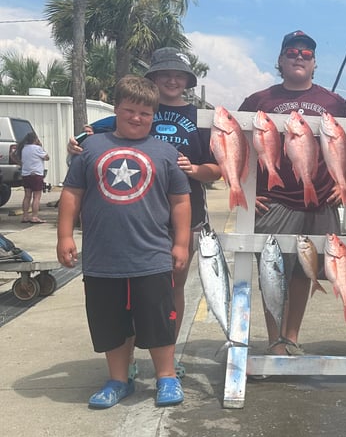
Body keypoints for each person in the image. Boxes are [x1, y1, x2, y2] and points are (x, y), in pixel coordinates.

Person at [68, 47, 222, 378]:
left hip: (184, 213)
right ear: (151, 79)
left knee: (170, 290)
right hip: (133, 215)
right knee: (130, 293)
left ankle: (168, 356)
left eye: (179, 75)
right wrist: (76, 143)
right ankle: (129, 360)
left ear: (187, 81)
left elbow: (218, 168)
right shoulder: (133, 109)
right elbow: (89, 140)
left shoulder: (203, 118)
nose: (172, 80)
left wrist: (195, 169)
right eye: (165, 73)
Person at [57, 75, 191, 409]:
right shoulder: (90, 148)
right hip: (103, 259)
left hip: (153, 257)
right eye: (130, 110)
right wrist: (64, 235)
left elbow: (180, 201)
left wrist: (181, 243)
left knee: (159, 322)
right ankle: (118, 380)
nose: (136, 118)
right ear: (115, 109)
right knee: (110, 324)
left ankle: (166, 377)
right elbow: (72, 193)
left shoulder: (166, 152)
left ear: (153, 116)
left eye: (145, 113)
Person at [238, 30, 346, 355]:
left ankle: (291, 337)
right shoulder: (258, 101)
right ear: (280, 60)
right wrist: (246, 191)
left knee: (306, 272)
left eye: (306, 53)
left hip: (320, 203)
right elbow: (237, 148)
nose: (299, 56)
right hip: (274, 202)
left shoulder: (336, 103)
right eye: (292, 52)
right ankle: (274, 341)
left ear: (314, 63)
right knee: (273, 271)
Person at [18, 131, 50, 223]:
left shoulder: (24, 148)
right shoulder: (37, 148)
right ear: (35, 139)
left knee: (27, 196)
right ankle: (34, 216)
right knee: (36, 196)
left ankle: (25, 216)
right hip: (36, 174)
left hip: (26, 174)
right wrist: (40, 145)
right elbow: (47, 157)